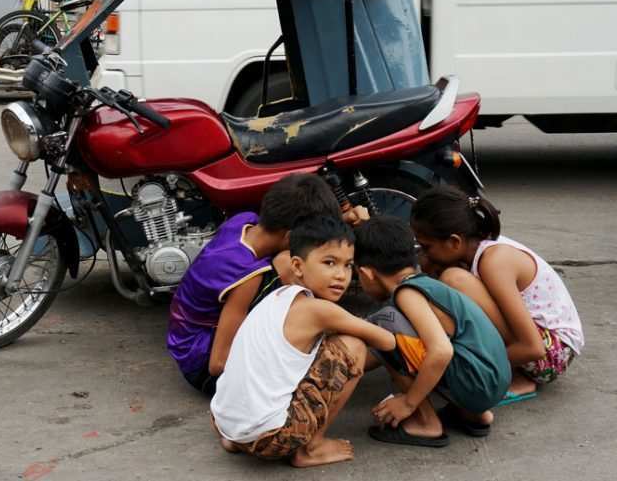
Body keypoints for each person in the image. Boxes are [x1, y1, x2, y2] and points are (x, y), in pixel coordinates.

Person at [210, 215, 395, 468]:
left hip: (224, 422)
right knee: (354, 347)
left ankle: (238, 440)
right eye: (329, 262)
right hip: (272, 440)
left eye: (348, 265)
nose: (341, 275)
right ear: (297, 266)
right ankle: (311, 448)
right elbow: (387, 342)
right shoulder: (319, 310)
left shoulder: (278, 296)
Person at [167, 173, 367, 395]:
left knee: (296, 263)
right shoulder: (248, 276)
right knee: (297, 269)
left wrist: (344, 220)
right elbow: (218, 363)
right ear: (291, 236)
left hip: (185, 341)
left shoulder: (245, 222)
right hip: (204, 366)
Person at [411, 186, 584, 403]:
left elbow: (533, 348)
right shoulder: (474, 249)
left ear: (455, 241)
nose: (423, 255)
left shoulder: (494, 262)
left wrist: (474, 368)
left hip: (551, 354)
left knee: (454, 279)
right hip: (538, 343)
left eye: (427, 247)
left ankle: (509, 374)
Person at [354, 216, 511, 448]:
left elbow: (441, 351)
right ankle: (474, 415)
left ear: (367, 273)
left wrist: (408, 402)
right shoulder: (426, 284)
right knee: (397, 332)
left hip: (476, 383)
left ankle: (426, 423)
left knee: (383, 326)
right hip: (494, 381)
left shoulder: (407, 293)